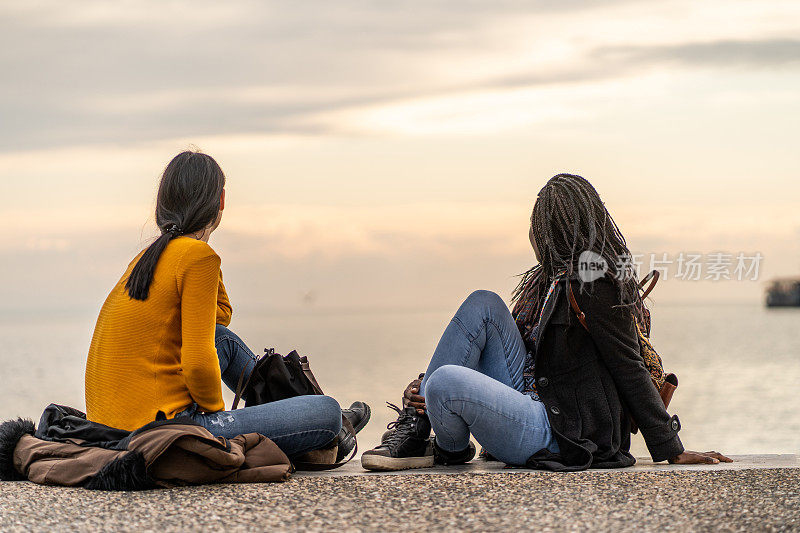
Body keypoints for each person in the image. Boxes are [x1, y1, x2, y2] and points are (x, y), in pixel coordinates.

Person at [362, 173, 731, 471]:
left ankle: (448, 447)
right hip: (533, 397)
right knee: (483, 303)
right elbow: (514, 354)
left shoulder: (594, 281)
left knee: (444, 382)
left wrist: (670, 447)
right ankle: (419, 424)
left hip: (564, 432)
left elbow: (629, 365)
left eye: (542, 225)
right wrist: (424, 387)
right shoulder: (546, 282)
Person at [85, 150, 369, 461]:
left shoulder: (148, 259)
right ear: (221, 201)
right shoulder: (195, 258)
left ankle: (292, 416)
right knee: (326, 412)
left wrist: (202, 251)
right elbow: (197, 362)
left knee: (222, 340)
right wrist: (217, 419)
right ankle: (323, 426)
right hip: (168, 432)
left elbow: (219, 319)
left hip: (116, 428)